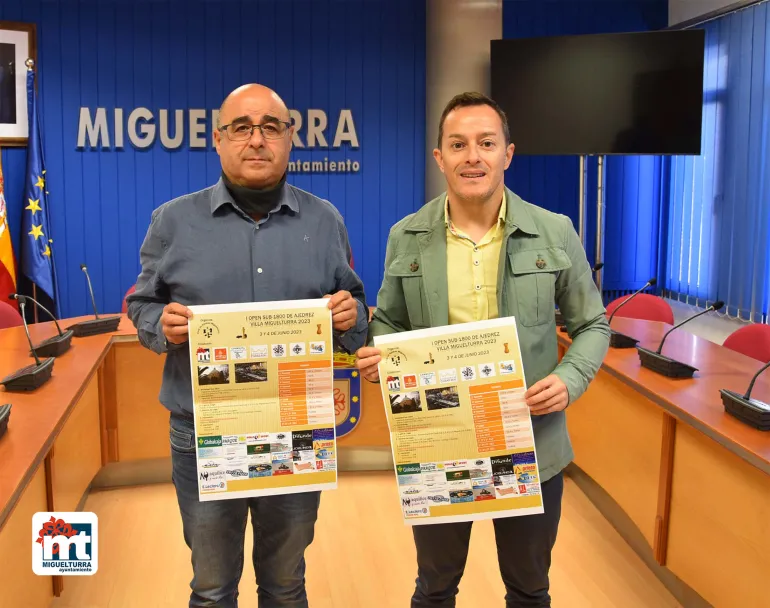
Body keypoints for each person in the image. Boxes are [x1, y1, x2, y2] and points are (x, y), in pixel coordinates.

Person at [356, 92, 610, 607]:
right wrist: (378, 353)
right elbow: (388, 321)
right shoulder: (406, 236)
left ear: (507, 153)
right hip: (439, 444)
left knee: (529, 590)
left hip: (531, 445)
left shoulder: (554, 231)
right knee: (434, 588)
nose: (472, 156)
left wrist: (569, 380)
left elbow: (593, 324)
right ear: (440, 157)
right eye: (458, 144)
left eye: (486, 143)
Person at [127, 83, 368, 608]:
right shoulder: (173, 221)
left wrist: (351, 314)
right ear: (218, 139)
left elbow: (354, 305)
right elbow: (141, 304)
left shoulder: (324, 220)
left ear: (290, 138)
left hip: (296, 430)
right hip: (204, 433)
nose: (256, 140)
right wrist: (159, 324)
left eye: (270, 127)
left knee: (286, 585)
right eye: (241, 127)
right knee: (212, 588)